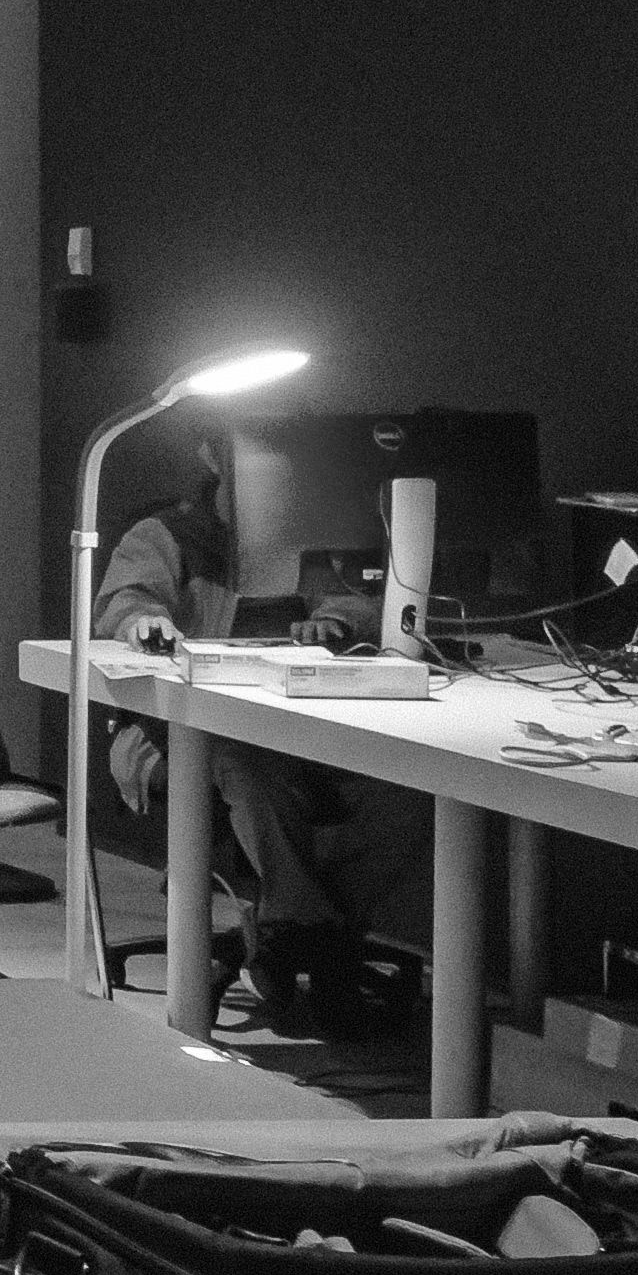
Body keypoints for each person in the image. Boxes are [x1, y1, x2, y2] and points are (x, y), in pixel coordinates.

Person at [95, 436, 435, 1031]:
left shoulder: (305, 533)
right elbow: (126, 602)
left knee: (414, 794)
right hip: (174, 735)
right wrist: (143, 622)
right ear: (212, 456)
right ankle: (314, 938)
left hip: (304, 736)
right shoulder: (167, 535)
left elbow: (360, 605)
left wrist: (334, 621)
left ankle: (294, 927)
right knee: (244, 761)